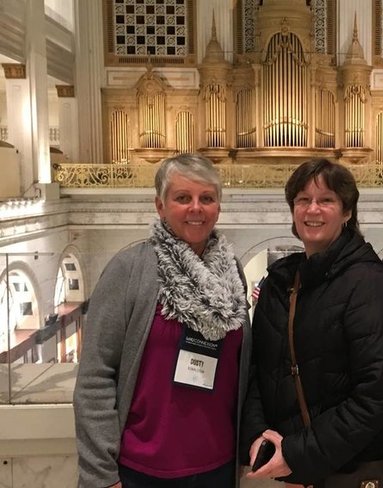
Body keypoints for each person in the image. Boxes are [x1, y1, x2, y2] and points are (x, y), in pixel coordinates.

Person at [74, 153, 251, 488]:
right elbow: (95, 378)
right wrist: (101, 474)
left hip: (218, 465)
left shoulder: (232, 274)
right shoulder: (128, 270)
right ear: (160, 205)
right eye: (183, 198)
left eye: (207, 198)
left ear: (218, 206)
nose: (196, 208)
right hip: (142, 470)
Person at [241, 158, 383, 487]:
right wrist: (259, 436)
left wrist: (298, 454)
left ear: (346, 212)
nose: (312, 209)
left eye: (326, 200)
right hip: (290, 469)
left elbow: (375, 396)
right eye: (303, 199)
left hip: (348, 470)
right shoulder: (279, 283)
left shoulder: (370, 283)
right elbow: (259, 371)